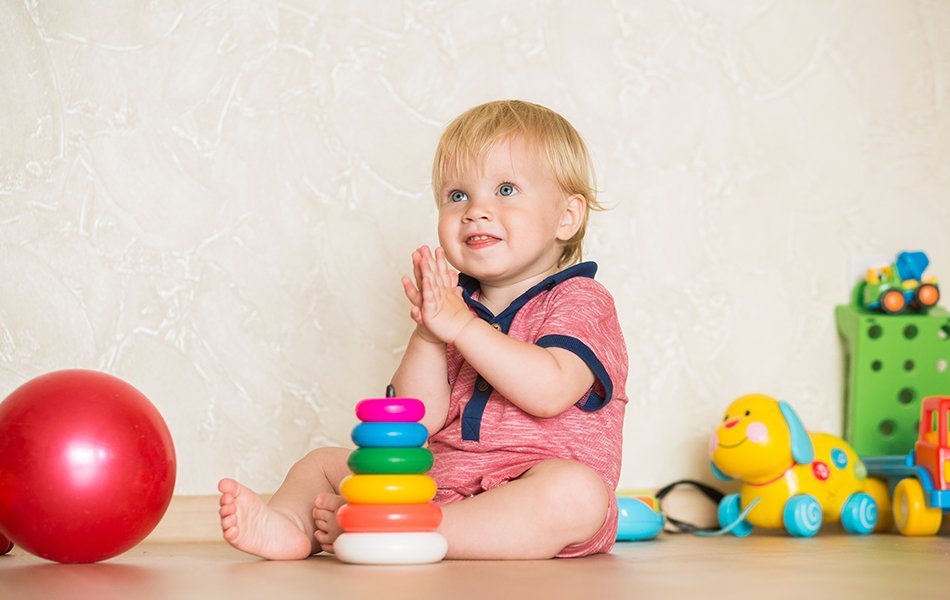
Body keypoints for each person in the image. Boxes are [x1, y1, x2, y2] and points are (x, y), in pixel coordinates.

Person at [218, 99, 628, 560]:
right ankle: (292, 527)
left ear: (566, 217)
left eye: (506, 189)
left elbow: (550, 389)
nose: (476, 210)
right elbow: (417, 418)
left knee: (577, 493)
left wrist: (461, 328)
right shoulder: (456, 309)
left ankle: (405, 532)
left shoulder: (581, 299)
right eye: (458, 196)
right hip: (442, 485)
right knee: (322, 464)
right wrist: (431, 335)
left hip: (533, 488)